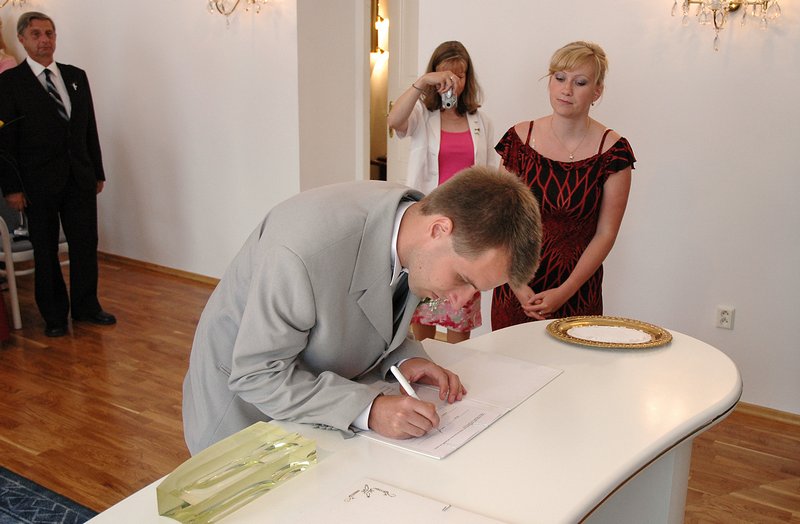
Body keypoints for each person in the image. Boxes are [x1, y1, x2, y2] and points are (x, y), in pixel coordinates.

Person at [182, 166, 542, 455]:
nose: (462, 301)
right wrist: (369, 410)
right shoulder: (299, 254)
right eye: (463, 279)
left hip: (315, 412)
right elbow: (257, 374)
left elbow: (369, 307)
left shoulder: (413, 225)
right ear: (439, 229)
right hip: (244, 416)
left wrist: (405, 358)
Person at [492, 41, 635, 330]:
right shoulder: (518, 140)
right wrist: (517, 283)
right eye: (559, 78)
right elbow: (500, 221)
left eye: (580, 82)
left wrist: (565, 291)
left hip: (577, 293)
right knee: (510, 358)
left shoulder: (613, 152)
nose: (566, 89)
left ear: (597, 91)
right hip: (516, 288)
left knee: (574, 360)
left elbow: (606, 233)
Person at [0, 12, 115, 337]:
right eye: (36, 34)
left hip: (79, 178)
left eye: (49, 33)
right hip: (37, 183)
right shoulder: (9, 83)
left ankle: (86, 306)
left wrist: (97, 171)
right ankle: (54, 316)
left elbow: (88, 128)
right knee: (46, 249)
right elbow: (4, 142)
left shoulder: (75, 76)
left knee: (85, 245)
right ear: (22, 39)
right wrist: (12, 188)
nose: (44, 40)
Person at [387, 40, 497, 344]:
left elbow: (490, 172)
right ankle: (424, 362)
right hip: (429, 225)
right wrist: (422, 83)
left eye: (460, 75)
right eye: (445, 73)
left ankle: (457, 368)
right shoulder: (422, 115)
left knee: (460, 314)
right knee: (424, 312)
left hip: (468, 227)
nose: (453, 81)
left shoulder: (481, 122)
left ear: (468, 78)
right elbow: (394, 121)